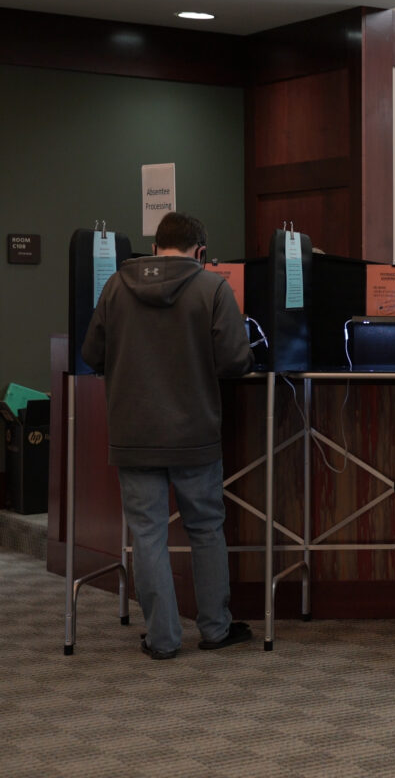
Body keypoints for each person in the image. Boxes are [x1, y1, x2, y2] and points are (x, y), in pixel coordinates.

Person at [81, 212, 254, 660]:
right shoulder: (213, 288)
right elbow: (236, 360)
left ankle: (162, 639)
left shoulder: (116, 286)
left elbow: (91, 354)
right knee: (206, 529)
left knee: (148, 534)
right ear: (200, 252)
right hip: (194, 431)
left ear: (155, 246)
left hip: (134, 432)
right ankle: (215, 629)